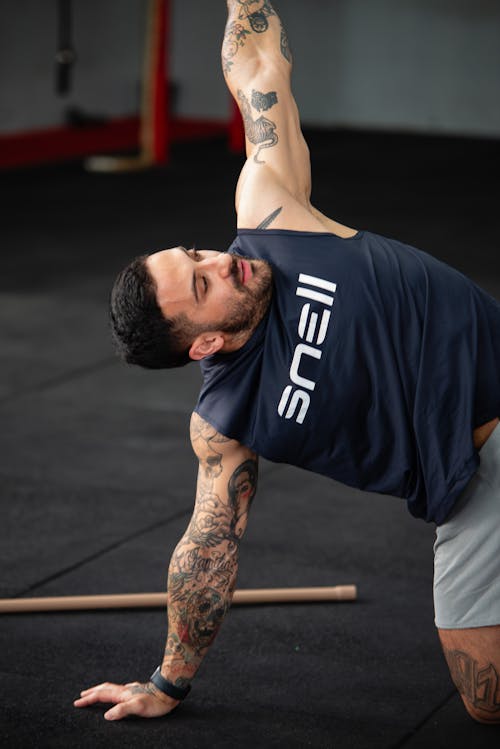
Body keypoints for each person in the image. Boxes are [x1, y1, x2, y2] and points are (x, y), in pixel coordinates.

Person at [74, 0, 500, 724]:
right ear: (201, 344)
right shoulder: (228, 421)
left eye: (197, 253)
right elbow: (207, 549)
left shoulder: (273, 215)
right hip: (473, 492)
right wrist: (167, 682)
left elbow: (257, 68)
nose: (220, 263)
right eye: (202, 284)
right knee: (485, 701)